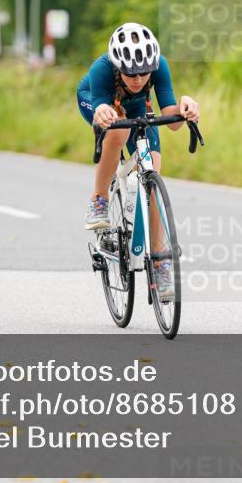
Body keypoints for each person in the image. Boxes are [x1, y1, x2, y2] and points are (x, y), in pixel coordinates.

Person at [76, 23, 199, 300]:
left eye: (144, 72)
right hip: (97, 101)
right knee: (118, 131)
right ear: (118, 66)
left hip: (138, 107)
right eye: (131, 73)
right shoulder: (101, 69)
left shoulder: (159, 65)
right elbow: (101, 105)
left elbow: (171, 119)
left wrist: (185, 108)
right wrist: (102, 110)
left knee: (153, 174)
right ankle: (99, 199)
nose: (138, 79)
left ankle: (160, 262)